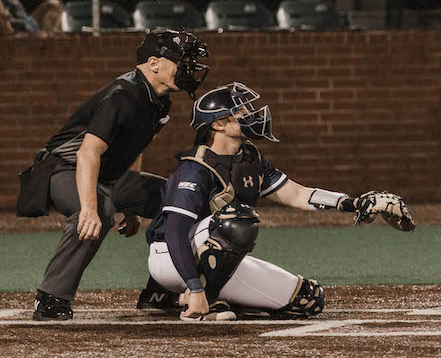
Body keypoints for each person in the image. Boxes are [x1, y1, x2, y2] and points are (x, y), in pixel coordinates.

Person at [137, 82, 414, 320]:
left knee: (309, 299)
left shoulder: (249, 158)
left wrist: (352, 203)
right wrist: (195, 287)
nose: (249, 115)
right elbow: (173, 233)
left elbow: (297, 194)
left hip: (215, 259)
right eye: (240, 111)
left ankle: (211, 297)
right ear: (218, 124)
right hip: (171, 259)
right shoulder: (195, 167)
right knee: (238, 219)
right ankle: (198, 298)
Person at [18, 30, 210, 320]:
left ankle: (160, 289)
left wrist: (132, 208)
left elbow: (132, 148)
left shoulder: (157, 100)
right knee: (98, 213)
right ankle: (51, 297)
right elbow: (87, 153)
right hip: (64, 170)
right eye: (180, 61)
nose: (186, 68)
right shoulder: (123, 95)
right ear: (154, 63)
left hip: (108, 176)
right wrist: (91, 208)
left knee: (182, 199)